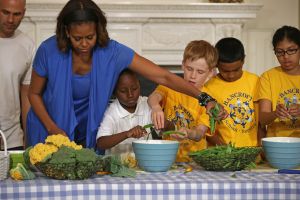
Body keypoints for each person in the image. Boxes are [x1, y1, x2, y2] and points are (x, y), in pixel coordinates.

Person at [26, 0, 226, 149]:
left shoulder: (112, 52)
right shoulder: (48, 51)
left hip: (89, 128)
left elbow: (163, 77)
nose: (84, 44)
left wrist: (205, 99)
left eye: (90, 37)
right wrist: (52, 127)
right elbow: (33, 94)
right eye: (78, 38)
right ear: (66, 32)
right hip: (47, 125)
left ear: (99, 30)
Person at [173, 37, 260, 147]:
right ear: (216, 65)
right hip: (222, 154)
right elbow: (208, 127)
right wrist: (224, 148)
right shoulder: (207, 90)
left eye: (236, 69)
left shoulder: (255, 81)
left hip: (252, 152)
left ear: (243, 60)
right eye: (225, 71)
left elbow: (260, 120)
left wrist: (261, 146)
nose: (231, 75)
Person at [147, 40, 218, 162]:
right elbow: (153, 97)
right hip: (167, 157)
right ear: (182, 65)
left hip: (196, 161)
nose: (193, 76)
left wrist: (188, 133)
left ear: (210, 73)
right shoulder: (171, 85)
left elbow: (200, 133)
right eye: (189, 69)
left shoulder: (209, 101)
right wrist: (156, 107)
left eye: (200, 72)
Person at [96, 69, 172, 155]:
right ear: (114, 92)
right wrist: (127, 134)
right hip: (119, 166)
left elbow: (170, 129)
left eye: (134, 89)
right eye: (123, 91)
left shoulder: (147, 104)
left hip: (145, 164)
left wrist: (166, 125)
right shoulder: (111, 112)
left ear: (139, 85)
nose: (130, 95)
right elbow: (101, 143)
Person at [0, 0, 34, 150]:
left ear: (24, 13)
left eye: (17, 14)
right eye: (5, 12)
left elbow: (26, 95)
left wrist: (28, 137)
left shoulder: (28, 45)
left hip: (13, 140)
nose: (10, 20)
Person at [256, 25, 300, 138]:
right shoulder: (268, 77)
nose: (285, 56)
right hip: (277, 142)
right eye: (280, 52)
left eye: (291, 50)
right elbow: (263, 119)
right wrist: (275, 113)